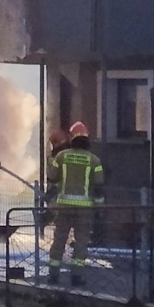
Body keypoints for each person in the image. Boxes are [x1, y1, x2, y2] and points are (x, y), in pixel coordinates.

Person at [46, 121, 103, 286]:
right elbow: (99, 187)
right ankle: (77, 277)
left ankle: (53, 276)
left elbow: (52, 177)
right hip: (85, 209)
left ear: (72, 138)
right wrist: (99, 208)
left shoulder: (62, 156)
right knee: (81, 242)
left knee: (59, 240)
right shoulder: (94, 160)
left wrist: (52, 156)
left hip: (63, 206)